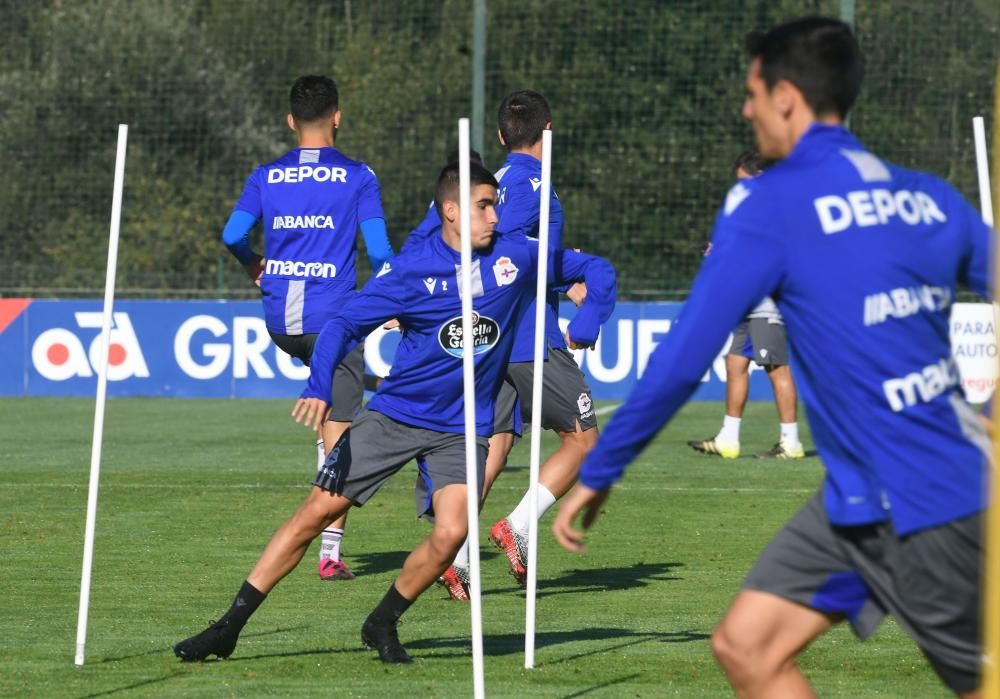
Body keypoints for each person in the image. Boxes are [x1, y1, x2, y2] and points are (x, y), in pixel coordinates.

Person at [553, 16, 990, 698]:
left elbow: (686, 350)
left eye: (752, 92)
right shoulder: (929, 196)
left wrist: (603, 466)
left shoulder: (769, 203)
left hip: (927, 504)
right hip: (857, 501)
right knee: (745, 644)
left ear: (787, 97)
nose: (745, 107)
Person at [174, 160, 617, 664]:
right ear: (451, 212)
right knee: (314, 514)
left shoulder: (515, 255)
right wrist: (320, 383)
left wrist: (588, 319)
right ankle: (228, 627)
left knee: (451, 533)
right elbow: (341, 327)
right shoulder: (411, 269)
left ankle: (382, 621)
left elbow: (595, 269)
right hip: (394, 417)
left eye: (495, 205)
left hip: (462, 428)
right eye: (485, 206)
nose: (497, 216)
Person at [221, 75, 394, 582]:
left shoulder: (265, 175)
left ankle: (331, 425)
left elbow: (233, 234)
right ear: (337, 116)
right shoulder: (359, 176)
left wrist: (254, 263)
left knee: (334, 401)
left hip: (280, 320)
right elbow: (381, 252)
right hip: (332, 322)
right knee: (342, 430)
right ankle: (330, 552)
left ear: (291, 121)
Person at [688, 148, 804, 460]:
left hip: (768, 299)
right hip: (748, 298)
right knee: (735, 363)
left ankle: (790, 442)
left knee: (777, 369)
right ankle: (728, 438)